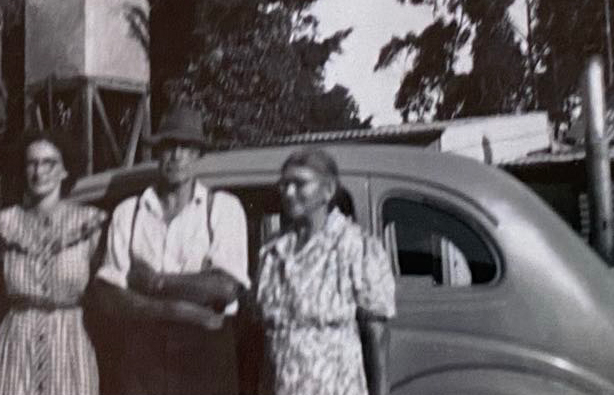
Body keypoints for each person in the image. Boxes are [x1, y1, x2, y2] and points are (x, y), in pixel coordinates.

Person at [92, 105, 250, 395]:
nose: (177, 156)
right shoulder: (129, 211)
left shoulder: (222, 208)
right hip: (143, 350)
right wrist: (177, 309)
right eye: (168, 147)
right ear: (157, 153)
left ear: (198, 155)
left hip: (205, 349)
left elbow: (225, 287)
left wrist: (154, 282)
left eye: (186, 148)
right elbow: (109, 295)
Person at [0, 131, 107, 395]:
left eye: (49, 163)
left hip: (69, 342)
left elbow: (104, 291)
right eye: (32, 163)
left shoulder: (89, 224)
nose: (39, 171)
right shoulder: (3, 224)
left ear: (65, 170)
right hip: (17, 344)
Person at [256, 147, 396, 395]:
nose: (289, 192)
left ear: (328, 190)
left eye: (300, 184)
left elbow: (376, 335)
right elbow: (268, 339)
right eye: (284, 184)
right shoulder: (273, 252)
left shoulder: (356, 247)